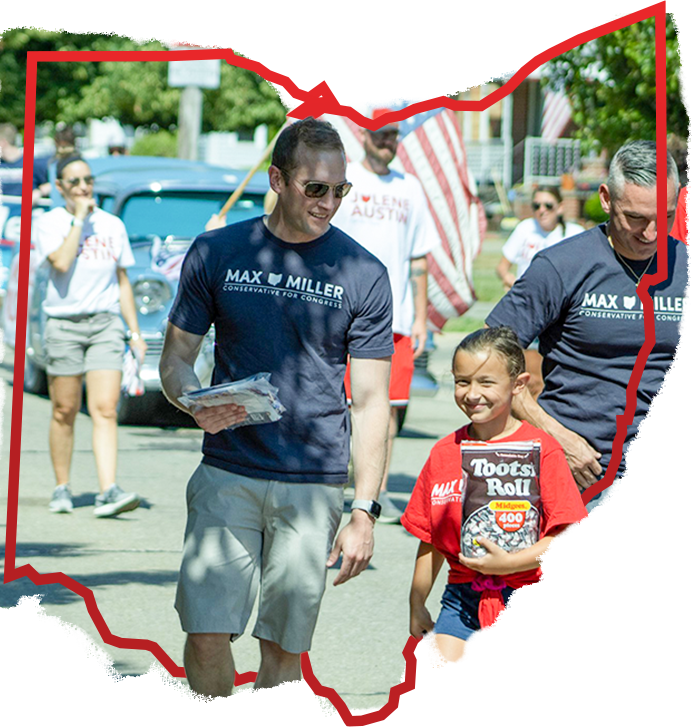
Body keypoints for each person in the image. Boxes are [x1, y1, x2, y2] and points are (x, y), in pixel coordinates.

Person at [158, 117, 394, 703]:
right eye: (316, 188)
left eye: (340, 190)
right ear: (277, 180)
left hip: (312, 484)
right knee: (206, 631)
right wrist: (191, 400)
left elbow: (369, 403)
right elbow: (176, 359)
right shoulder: (218, 250)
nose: (330, 203)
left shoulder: (365, 274)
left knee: (284, 647)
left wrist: (364, 509)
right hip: (228, 470)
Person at [485, 140, 691, 492]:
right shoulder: (562, 265)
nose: (651, 233)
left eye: (666, 217)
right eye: (636, 218)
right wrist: (553, 434)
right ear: (606, 198)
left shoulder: (686, 267)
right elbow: (486, 360)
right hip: (577, 471)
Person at [402, 327, 589, 694]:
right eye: (462, 381)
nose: (472, 394)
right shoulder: (444, 453)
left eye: (486, 382)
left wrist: (510, 563)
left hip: (532, 603)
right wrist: (417, 602)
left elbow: (568, 539)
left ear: (518, 384)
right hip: (460, 601)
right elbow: (430, 538)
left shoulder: (543, 450)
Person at [334, 108, 439, 523]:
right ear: (364, 134)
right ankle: (332, 480)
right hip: (343, 312)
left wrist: (420, 318)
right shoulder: (345, 182)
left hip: (395, 319)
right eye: (381, 134)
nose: (387, 142)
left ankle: (375, 491)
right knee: (339, 404)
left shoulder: (410, 188)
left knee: (388, 407)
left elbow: (418, 258)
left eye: (394, 135)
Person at [35, 156, 147, 517]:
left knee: (105, 409)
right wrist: (79, 220)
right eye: (75, 181)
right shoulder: (49, 223)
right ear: (61, 188)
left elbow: (122, 281)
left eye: (88, 179)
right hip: (64, 325)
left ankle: (107, 489)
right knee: (65, 409)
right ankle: (62, 487)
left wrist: (134, 332)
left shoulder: (112, 225)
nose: (84, 186)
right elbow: (62, 263)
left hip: (104, 324)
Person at [495, 186, 585, 399]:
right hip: (529, 311)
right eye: (536, 206)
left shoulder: (573, 234)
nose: (541, 211)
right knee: (526, 377)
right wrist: (515, 284)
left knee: (547, 378)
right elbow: (502, 267)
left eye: (548, 206)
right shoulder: (526, 229)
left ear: (560, 208)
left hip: (559, 314)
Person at [0, 122, 47, 204]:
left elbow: (53, 184)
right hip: (2, 214)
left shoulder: (33, 164)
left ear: (3, 142)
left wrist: (39, 192)